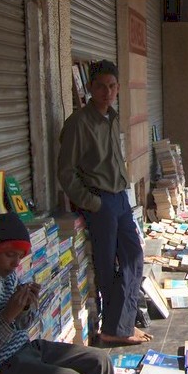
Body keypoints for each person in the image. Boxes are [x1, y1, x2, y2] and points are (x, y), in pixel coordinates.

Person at [0, 213, 116, 374]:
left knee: (100, 360)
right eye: (9, 255)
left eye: (20, 256)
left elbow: (22, 326)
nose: (16, 263)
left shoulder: (6, 275)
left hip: (25, 348)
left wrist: (28, 306)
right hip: (1, 365)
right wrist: (8, 316)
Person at [58, 60, 152, 345]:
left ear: (118, 89)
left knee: (134, 257)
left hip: (121, 199)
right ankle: (113, 329)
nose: (107, 92)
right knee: (107, 266)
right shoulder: (78, 123)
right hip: (100, 203)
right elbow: (66, 172)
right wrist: (92, 203)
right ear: (90, 88)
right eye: (101, 86)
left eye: (112, 87)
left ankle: (121, 324)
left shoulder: (112, 117)